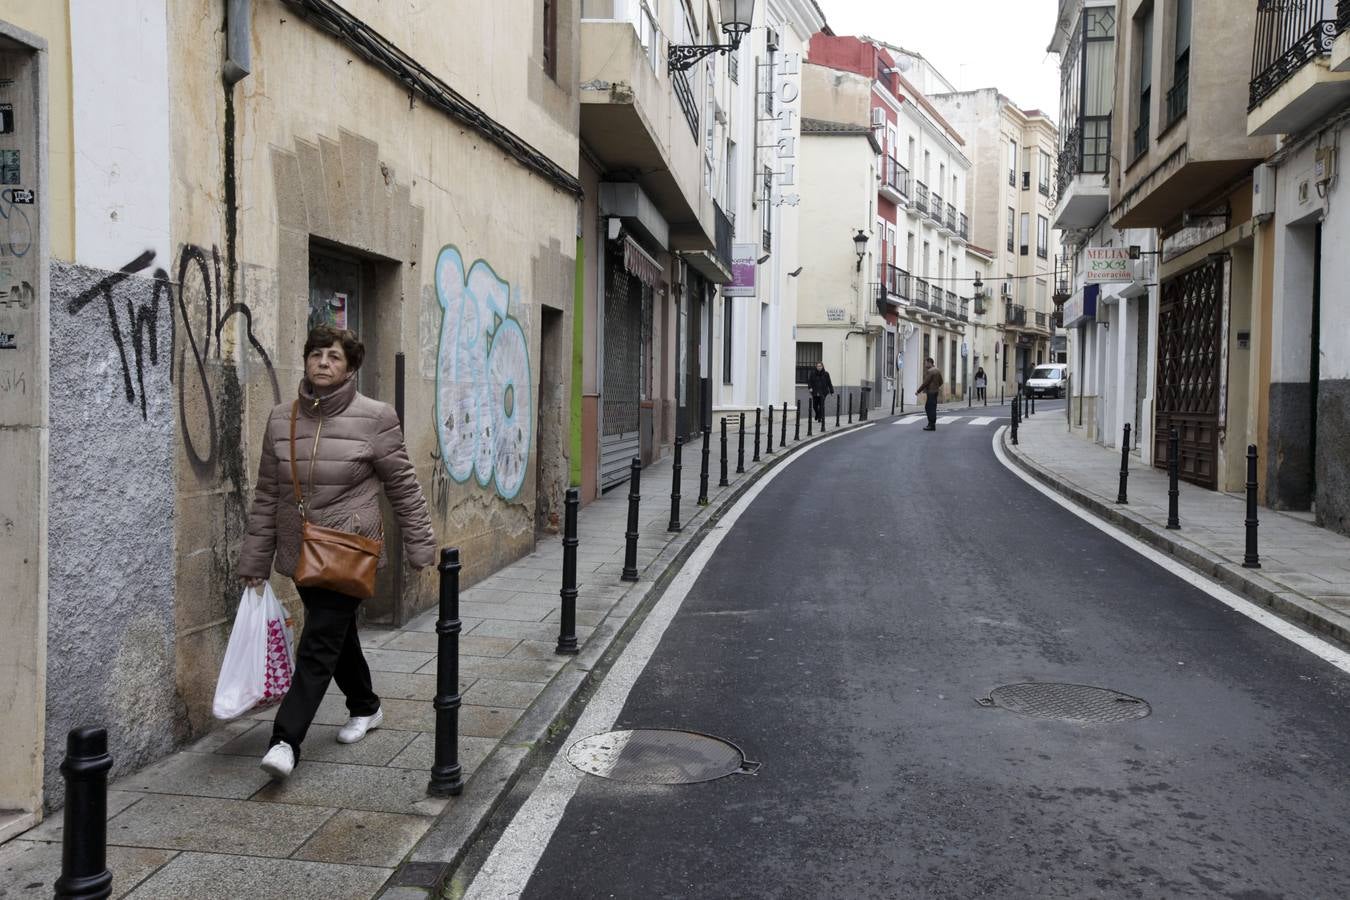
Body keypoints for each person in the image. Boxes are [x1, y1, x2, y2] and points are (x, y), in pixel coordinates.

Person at [239, 325, 437, 780]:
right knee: (336, 637)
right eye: (316, 354)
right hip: (301, 551)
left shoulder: (376, 417)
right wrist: (256, 560)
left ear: (350, 368)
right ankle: (365, 705)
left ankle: (285, 741)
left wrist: (420, 543)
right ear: (306, 361)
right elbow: (267, 494)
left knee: (317, 644)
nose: (323, 362)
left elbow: (403, 485)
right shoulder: (281, 419)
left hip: (349, 549)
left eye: (334, 356)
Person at [915, 356, 944, 430]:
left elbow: (925, 383)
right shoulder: (937, 370)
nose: (925, 365)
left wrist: (918, 391)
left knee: (929, 408)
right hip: (935, 392)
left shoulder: (930, 371)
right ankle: (932, 424)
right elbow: (941, 382)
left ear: (929, 363)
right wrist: (936, 387)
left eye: (926, 363)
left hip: (931, 392)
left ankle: (931, 425)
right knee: (932, 407)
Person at [807, 361, 834, 425]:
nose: (819, 367)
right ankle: (817, 414)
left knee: (821, 405)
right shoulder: (812, 373)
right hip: (815, 392)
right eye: (818, 366)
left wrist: (831, 391)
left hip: (823, 392)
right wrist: (810, 387)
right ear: (816, 367)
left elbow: (829, 383)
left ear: (822, 366)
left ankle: (820, 418)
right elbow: (809, 381)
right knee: (814, 406)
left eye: (820, 366)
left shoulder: (826, 374)